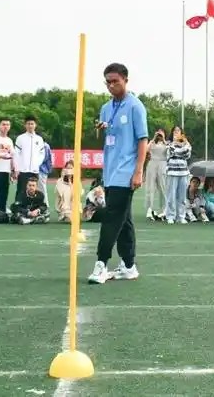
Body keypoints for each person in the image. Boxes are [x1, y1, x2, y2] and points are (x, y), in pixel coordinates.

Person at [88, 63, 148, 284]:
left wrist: (138, 170)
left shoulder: (135, 107)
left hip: (127, 171)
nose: (111, 85)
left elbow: (143, 139)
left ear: (125, 80)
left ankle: (101, 263)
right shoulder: (106, 108)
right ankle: (129, 266)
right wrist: (101, 129)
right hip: (111, 171)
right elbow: (108, 138)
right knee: (124, 220)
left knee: (112, 217)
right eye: (108, 82)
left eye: (116, 81)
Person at [13, 115, 46, 200]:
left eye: (32, 124)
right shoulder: (20, 138)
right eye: (28, 124)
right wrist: (17, 168)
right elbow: (16, 154)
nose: (30, 126)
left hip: (34, 170)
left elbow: (42, 154)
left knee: (33, 191)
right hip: (23, 170)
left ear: (35, 125)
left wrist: (36, 164)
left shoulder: (39, 139)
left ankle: (32, 206)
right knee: (21, 190)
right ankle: (18, 206)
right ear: (25, 125)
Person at [164, 126, 191, 224]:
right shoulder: (169, 143)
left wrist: (183, 146)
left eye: (178, 131)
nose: (176, 132)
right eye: (175, 131)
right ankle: (170, 216)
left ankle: (181, 216)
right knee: (171, 195)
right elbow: (172, 152)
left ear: (181, 133)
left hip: (183, 172)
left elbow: (187, 154)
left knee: (182, 196)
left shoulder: (186, 143)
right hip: (172, 172)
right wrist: (176, 144)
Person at [144, 129, 168, 221]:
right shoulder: (152, 143)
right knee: (150, 187)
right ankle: (149, 209)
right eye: (158, 134)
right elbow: (146, 150)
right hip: (152, 163)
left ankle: (164, 209)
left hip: (162, 164)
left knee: (163, 187)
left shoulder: (166, 143)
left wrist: (164, 139)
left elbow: (169, 150)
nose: (159, 136)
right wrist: (154, 138)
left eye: (161, 134)